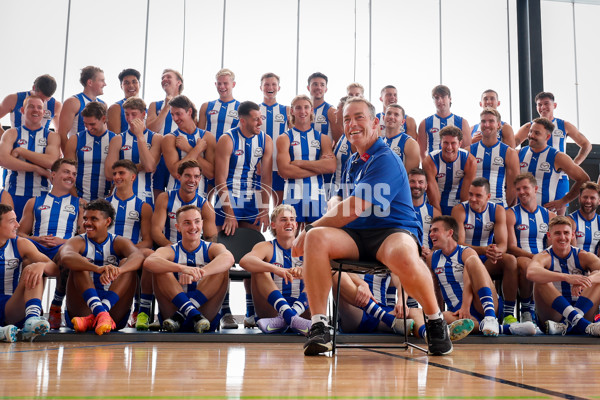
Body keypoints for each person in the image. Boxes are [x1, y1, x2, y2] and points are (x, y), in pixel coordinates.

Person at [293, 97, 453, 356]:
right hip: (357, 235)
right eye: (346, 119)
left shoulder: (385, 157)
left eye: (359, 117)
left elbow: (355, 207)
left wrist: (311, 226)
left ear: (375, 123)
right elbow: (343, 202)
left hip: (392, 231)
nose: (351, 124)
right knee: (317, 239)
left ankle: (435, 321)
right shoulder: (354, 161)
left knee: (401, 253)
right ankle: (320, 326)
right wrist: (326, 214)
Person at [428, 216, 536, 336]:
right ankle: (503, 329)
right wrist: (436, 312)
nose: (431, 234)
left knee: (473, 261)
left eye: (435, 230)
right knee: (443, 318)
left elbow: (468, 280)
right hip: (458, 312)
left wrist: (465, 305)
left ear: (450, 233)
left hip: (481, 303)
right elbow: (434, 288)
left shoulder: (465, 251)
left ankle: (490, 317)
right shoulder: (431, 258)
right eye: (431, 231)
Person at [17, 158, 84, 329]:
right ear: (53, 175)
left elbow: (85, 237)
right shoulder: (34, 201)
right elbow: (20, 233)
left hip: (62, 249)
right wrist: (37, 239)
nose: (71, 176)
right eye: (66, 172)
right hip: (37, 248)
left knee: (67, 254)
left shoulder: (79, 204)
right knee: (27, 261)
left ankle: (56, 306)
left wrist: (64, 241)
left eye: (74, 174)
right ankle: (33, 312)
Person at [144, 205, 233, 333]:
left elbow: (228, 258)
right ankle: (190, 313)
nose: (193, 227)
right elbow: (149, 262)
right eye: (187, 223)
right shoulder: (170, 250)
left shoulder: (212, 248)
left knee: (222, 269)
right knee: (160, 268)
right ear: (178, 227)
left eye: (197, 221)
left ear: (202, 223)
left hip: (203, 315)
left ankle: (183, 314)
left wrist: (199, 273)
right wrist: (182, 268)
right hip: (172, 313)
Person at [60, 199, 144, 335]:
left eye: (94, 219)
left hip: (114, 310)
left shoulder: (118, 241)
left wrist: (119, 270)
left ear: (107, 222)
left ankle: (100, 313)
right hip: (82, 308)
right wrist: (97, 268)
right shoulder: (78, 240)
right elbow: (65, 256)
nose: (87, 223)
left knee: (127, 264)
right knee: (78, 262)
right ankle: (100, 313)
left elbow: (138, 256)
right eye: (85, 218)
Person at [451, 178, 519, 324]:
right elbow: (459, 244)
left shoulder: (498, 210)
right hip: (465, 261)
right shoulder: (459, 210)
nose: (473, 199)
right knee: (471, 260)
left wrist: (496, 251)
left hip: (487, 259)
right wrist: (484, 250)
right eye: (470, 194)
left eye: (478, 195)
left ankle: (508, 314)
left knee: (511, 260)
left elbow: (503, 244)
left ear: (488, 197)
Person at [239, 204, 311, 335]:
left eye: (292, 219)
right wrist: (276, 269)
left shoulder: (308, 248)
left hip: (304, 310)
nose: (289, 222)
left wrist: (305, 270)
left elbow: (328, 269)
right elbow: (245, 261)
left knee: (320, 271)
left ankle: (288, 317)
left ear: (296, 224)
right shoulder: (266, 246)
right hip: (271, 310)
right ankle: (290, 316)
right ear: (273, 225)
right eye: (283, 219)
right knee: (259, 268)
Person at [526, 216, 600, 336]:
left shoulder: (583, 255)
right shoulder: (544, 256)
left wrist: (586, 280)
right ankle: (581, 324)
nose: (562, 237)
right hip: (553, 315)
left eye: (566, 233)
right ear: (549, 236)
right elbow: (531, 273)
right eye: (557, 233)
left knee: (596, 275)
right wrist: (566, 277)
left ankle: (569, 324)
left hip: (582, 309)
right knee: (540, 279)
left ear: (572, 235)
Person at [0, 204, 56, 342]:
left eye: (16, 220)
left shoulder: (20, 244)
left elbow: (55, 269)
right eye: (11, 221)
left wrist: (41, 266)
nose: (18, 225)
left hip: (11, 307)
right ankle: (2, 332)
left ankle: (31, 320)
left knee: (33, 268)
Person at [276, 95, 336, 225]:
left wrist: (299, 163)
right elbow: (285, 171)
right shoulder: (284, 138)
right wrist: (318, 168)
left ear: (311, 110)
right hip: (292, 194)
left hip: (316, 194)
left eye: (306, 107)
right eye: (298, 108)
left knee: (314, 236)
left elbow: (330, 167)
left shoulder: (323, 138)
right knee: (291, 236)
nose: (302, 111)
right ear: (292, 111)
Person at [0, 94, 61, 220]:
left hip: (41, 195)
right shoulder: (11, 133)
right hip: (13, 193)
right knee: (10, 234)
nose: (36, 110)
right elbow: (3, 160)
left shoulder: (52, 136)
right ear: (22, 110)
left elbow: (51, 162)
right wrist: (36, 168)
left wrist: (21, 151)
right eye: (31, 106)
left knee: (36, 235)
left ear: (44, 112)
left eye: (39, 107)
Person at [506, 173, 557, 323]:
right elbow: (511, 247)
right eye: (518, 189)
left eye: (525, 188)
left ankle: (555, 313)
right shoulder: (511, 213)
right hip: (521, 258)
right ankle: (526, 310)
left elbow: (553, 246)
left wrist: (543, 259)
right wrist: (534, 258)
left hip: (543, 258)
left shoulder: (549, 215)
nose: (521, 192)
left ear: (535, 189)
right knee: (529, 266)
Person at [519, 117, 589, 215]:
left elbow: (584, 179)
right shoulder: (519, 153)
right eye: (530, 131)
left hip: (546, 217)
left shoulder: (558, 157)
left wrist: (564, 201)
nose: (531, 135)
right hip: (520, 215)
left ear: (547, 137)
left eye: (537, 133)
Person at [105, 97, 162, 206]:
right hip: (119, 195)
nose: (130, 119)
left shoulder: (156, 138)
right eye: (127, 114)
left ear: (143, 114)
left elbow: (149, 167)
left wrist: (139, 135)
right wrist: (140, 166)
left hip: (145, 195)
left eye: (134, 114)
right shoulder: (118, 139)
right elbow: (108, 173)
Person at [515, 92, 592, 165]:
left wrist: (574, 165)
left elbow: (587, 145)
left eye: (546, 103)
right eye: (539, 104)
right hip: (534, 174)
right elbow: (510, 145)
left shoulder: (564, 125)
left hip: (560, 176)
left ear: (554, 105)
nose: (543, 107)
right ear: (536, 107)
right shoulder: (529, 126)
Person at [161, 95, 214, 197]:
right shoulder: (169, 139)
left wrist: (188, 148)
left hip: (199, 198)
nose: (175, 118)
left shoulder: (208, 137)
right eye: (172, 114)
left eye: (178, 114)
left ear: (189, 112)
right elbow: (176, 172)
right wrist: (197, 149)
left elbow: (211, 173)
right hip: (174, 198)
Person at [64, 102, 116, 202]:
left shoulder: (115, 139)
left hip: (107, 200)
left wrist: (109, 199)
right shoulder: (75, 139)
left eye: (92, 124)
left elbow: (119, 174)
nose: (88, 128)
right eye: (85, 124)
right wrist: (77, 200)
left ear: (103, 119)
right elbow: (67, 174)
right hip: (79, 198)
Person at [470, 108, 519, 207]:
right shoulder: (469, 150)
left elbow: (513, 186)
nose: (486, 125)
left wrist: (502, 207)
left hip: (499, 206)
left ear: (498, 124)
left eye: (491, 121)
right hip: (474, 206)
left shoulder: (509, 152)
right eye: (483, 121)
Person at [423, 126, 477, 216]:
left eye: (453, 143)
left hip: (457, 203)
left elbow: (465, 197)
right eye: (445, 143)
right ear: (441, 143)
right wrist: (440, 219)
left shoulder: (469, 161)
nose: (449, 147)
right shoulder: (430, 161)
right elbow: (433, 199)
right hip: (436, 203)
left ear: (460, 144)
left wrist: (461, 216)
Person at [146, 69, 184, 198]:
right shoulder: (154, 105)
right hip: (158, 157)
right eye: (162, 78)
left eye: (168, 77)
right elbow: (151, 129)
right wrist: (166, 107)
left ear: (178, 82)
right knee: (157, 195)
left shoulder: (188, 105)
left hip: (178, 157)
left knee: (177, 195)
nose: (164, 80)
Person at [57, 66, 106, 151]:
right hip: (78, 154)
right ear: (90, 82)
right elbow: (62, 133)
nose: (105, 84)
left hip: (99, 154)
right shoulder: (73, 102)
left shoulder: (103, 104)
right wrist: (69, 158)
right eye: (101, 80)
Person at [259, 73, 288, 206]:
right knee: (260, 207)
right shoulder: (255, 110)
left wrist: (289, 164)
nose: (270, 87)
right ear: (261, 87)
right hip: (259, 165)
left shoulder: (286, 110)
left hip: (279, 167)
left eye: (273, 84)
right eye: (266, 84)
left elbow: (293, 137)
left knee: (280, 208)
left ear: (279, 87)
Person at [418, 85, 471, 159]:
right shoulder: (424, 123)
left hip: (456, 167)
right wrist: (426, 167)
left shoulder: (462, 122)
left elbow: (467, 150)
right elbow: (422, 151)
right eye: (437, 98)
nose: (440, 100)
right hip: (433, 166)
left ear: (450, 99)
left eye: (443, 97)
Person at [198, 68, 240, 139]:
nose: (222, 87)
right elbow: (199, 134)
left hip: (231, 149)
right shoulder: (206, 106)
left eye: (225, 83)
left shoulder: (241, 108)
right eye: (219, 83)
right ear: (215, 84)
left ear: (233, 84)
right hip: (210, 149)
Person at [409, 168, 440, 258]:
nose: (416, 185)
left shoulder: (434, 213)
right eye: (412, 181)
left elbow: (442, 241)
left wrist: (431, 252)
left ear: (426, 186)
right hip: (406, 256)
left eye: (420, 182)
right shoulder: (399, 211)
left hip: (428, 258)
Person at [382, 104, 420, 172]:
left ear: (402, 122)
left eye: (396, 115)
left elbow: (409, 177)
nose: (391, 117)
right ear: (383, 118)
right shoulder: (379, 142)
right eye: (389, 113)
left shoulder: (410, 144)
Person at [307, 72, 341, 142]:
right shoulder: (302, 110)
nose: (319, 87)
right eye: (315, 84)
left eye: (322, 85)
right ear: (308, 88)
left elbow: (338, 140)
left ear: (326, 89)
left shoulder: (331, 111)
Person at [569, 182, 600, 254]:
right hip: (575, 263)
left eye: (592, 198)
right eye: (585, 197)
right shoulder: (571, 220)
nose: (588, 201)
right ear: (579, 198)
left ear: (599, 201)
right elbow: (572, 254)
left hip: (595, 263)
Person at [107, 68, 141, 134]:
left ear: (139, 84)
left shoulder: (146, 109)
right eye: (126, 83)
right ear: (121, 86)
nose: (131, 85)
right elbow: (115, 138)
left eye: (134, 82)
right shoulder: (116, 108)